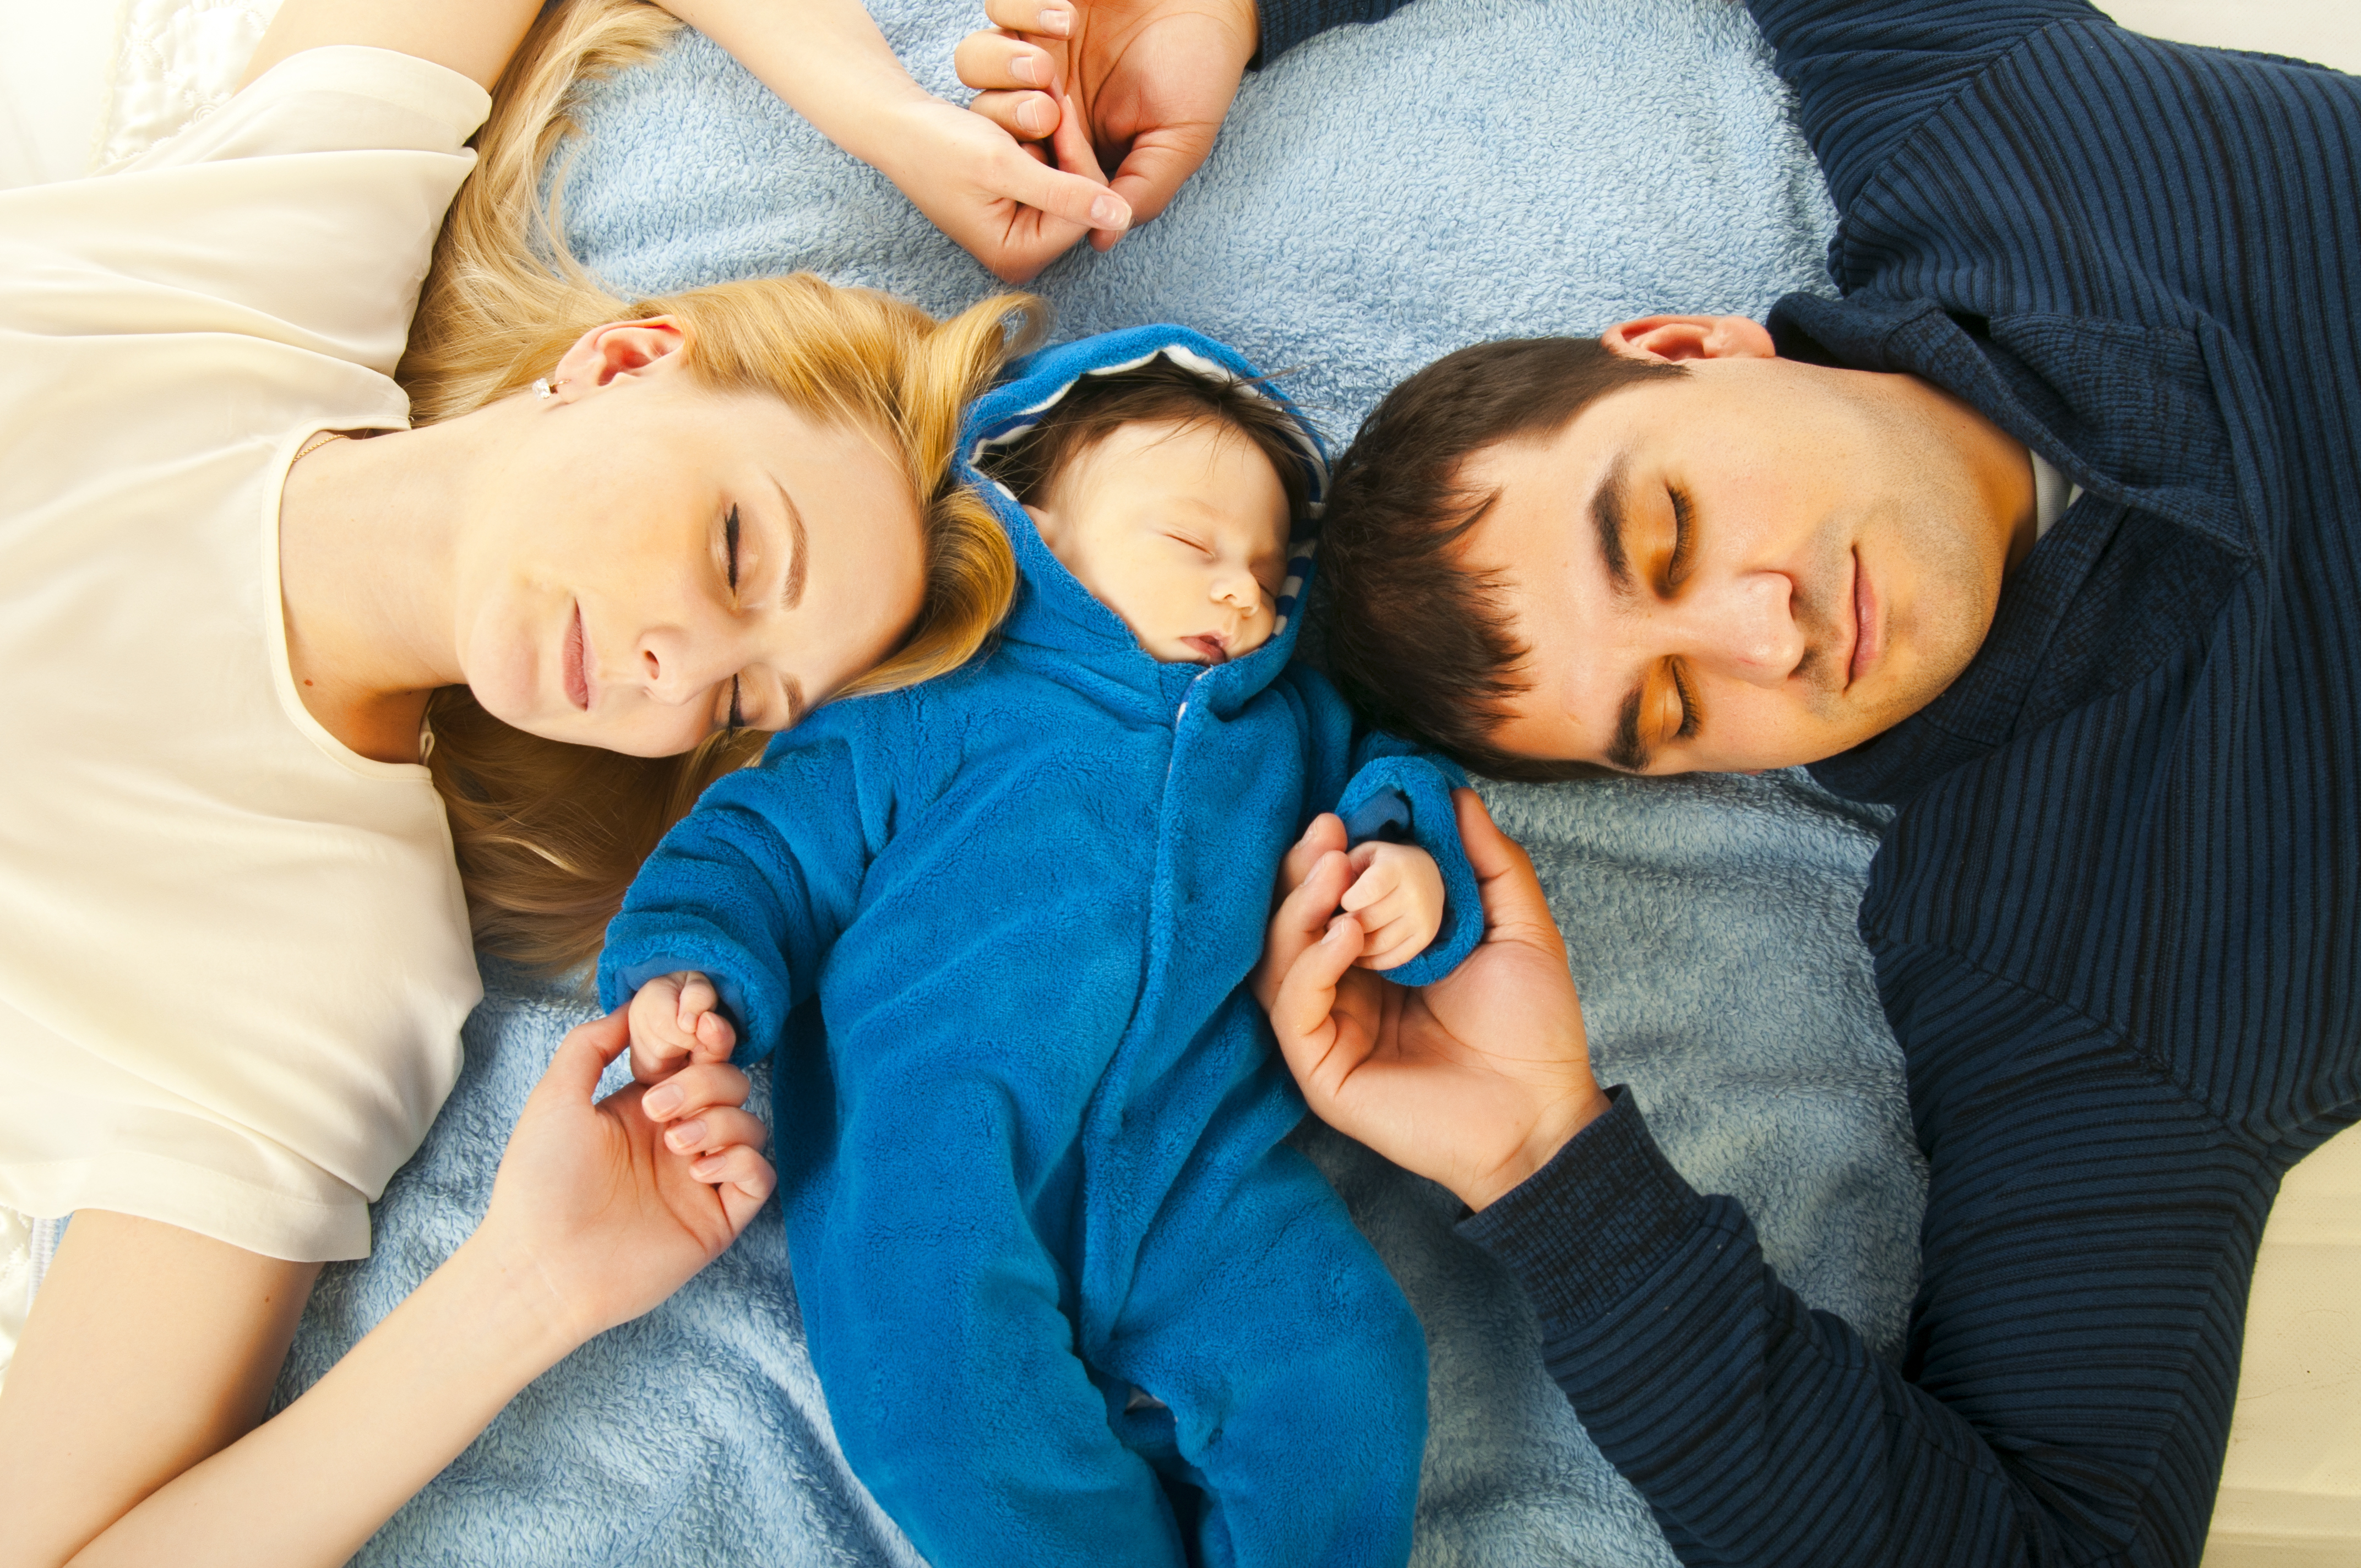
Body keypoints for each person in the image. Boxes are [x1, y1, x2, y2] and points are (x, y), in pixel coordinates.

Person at [1201, 1, 2358, 1565]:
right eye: (1673, 708)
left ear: (1689, 348)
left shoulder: (1979, 106)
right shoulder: (2058, 971)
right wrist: (1549, 1167)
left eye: (1667, 529)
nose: (1767, 632)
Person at [0, 0, 1095, 1557]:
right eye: (733, 548)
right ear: (626, 357)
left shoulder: (323, 968)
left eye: (736, 700)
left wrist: (530, 1288)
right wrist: (895, 121)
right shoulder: (255, 274)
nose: (673, 668)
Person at [597, 329, 1482, 1568]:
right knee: (943, 1407)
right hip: (934, 1145)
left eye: (1271, 574)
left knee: (1348, 1363)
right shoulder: (938, 694)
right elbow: (762, 837)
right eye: (1192, 546)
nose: (1239, 589)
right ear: (1040, 530)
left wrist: (1405, 871)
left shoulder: (1291, 728)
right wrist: (691, 963)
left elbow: (1394, 783)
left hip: (1199, 1162)